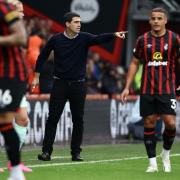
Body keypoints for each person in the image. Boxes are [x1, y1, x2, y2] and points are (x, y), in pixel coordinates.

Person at [32, 12, 127, 161]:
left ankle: (76, 152)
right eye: (75, 22)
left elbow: (98, 38)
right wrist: (36, 76)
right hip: (59, 84)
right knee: (53, 119)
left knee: (78, 119)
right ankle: (46, 152)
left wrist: (114, 34)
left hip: (78, 85)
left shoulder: (84, 38)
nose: (79, 24)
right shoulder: (56, 39)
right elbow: (42, 56)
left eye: (79, 22)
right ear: (67, 24)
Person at [121, 7, 179, 173]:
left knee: (170, 123)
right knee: (149, 123)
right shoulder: (142, 39)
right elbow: (134, 63)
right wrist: (126, 87)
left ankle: (165, 154)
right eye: (153, 18)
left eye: (159, 18)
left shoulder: (174, 39)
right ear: (149, 20)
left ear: (165, 21)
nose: (156, 21)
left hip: (167, 88)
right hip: (147, 89)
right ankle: (152, 163)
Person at [0, 0, 27, 179]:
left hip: (11, 73)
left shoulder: (4, 7)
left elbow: (20, 37)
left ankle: (16, 172)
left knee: (5, 121)